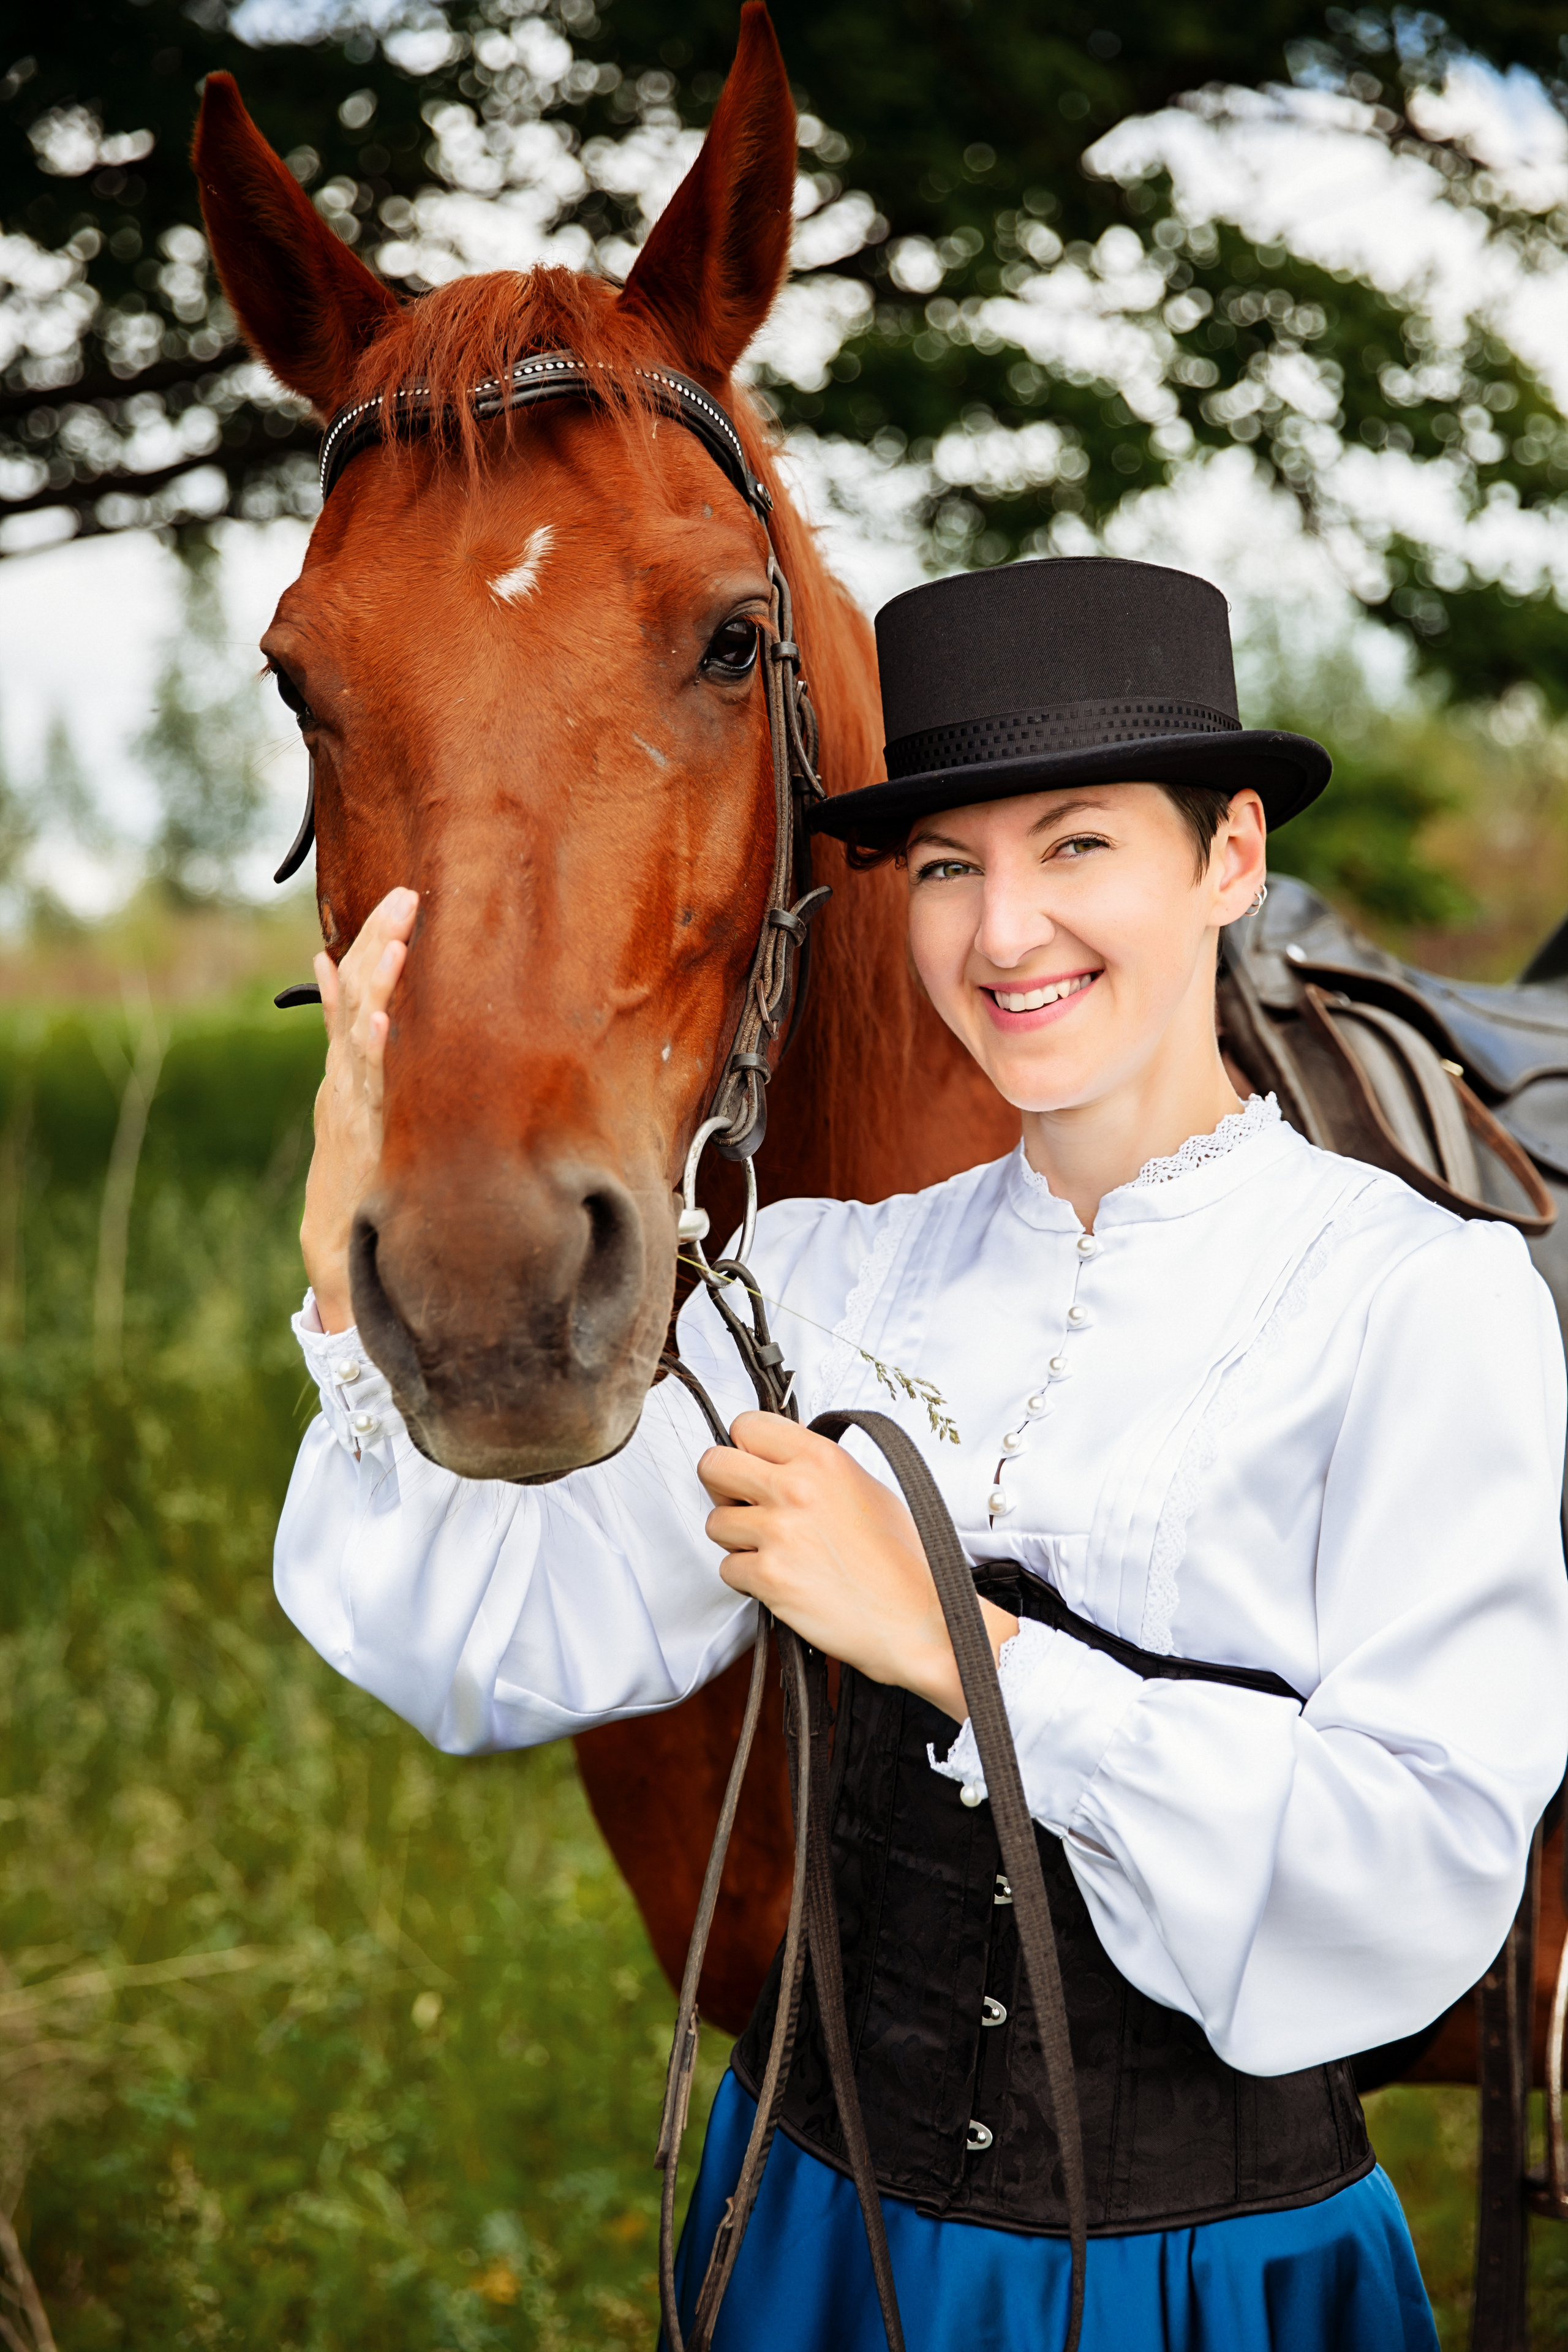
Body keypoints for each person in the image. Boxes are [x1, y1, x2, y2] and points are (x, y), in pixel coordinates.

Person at [275, 556, 1568, 2351]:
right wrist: (353, 1271)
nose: (1002, 933)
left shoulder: (1420, 1301)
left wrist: (948, 1637)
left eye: (1079, 847)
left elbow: (1412, 1874)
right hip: (807, 2235)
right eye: (949, 868)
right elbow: (488, 1651)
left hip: (1202, 2283)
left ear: (1231, 859)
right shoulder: (823, 1275)